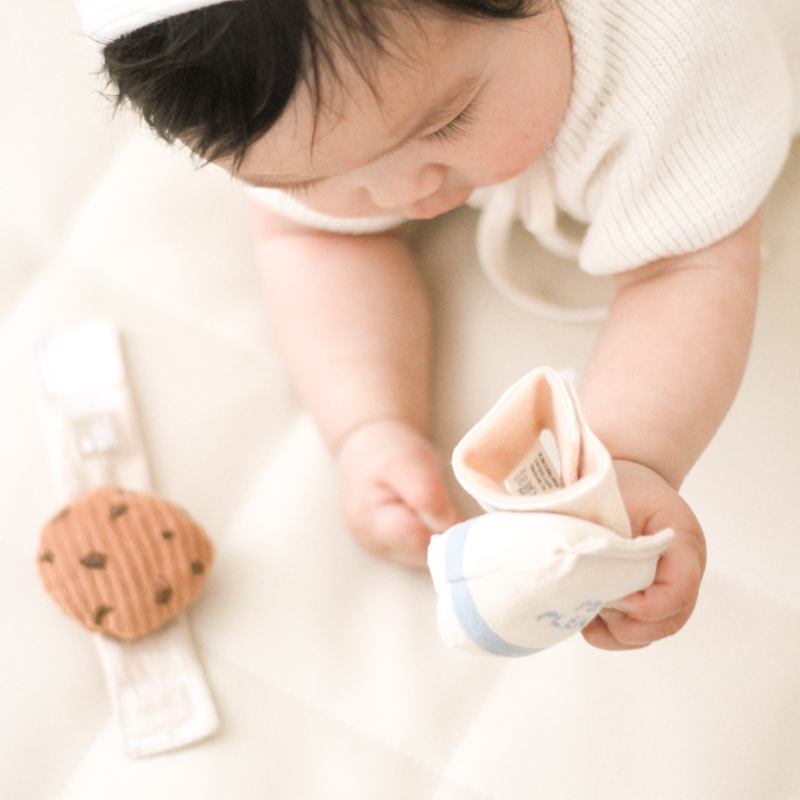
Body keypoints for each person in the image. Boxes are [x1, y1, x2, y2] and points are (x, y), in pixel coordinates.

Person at [81, 0, 799, 650]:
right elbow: (309, 240)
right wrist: (368, 426)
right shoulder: (306, 117)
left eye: (446, 121)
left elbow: (684, 270)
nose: (403, 194)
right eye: (303, 178)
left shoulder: (679, 53)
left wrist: (628, 466)